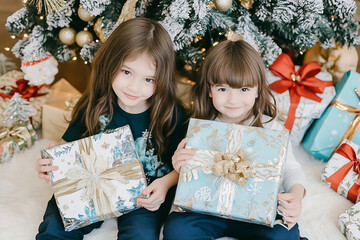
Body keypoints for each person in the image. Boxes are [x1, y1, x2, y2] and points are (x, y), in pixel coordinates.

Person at [35, 17, 187, 240]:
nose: (134, 87)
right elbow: (68, 148)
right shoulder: (94, 105)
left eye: (149, 79)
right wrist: (51, 165)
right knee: (57, 222)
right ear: (111, 63)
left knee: (141, 235)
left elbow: (182, 165)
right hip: (92, 186)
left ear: (162, 79)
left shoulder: (171, 114)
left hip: (143, 194)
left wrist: (164, 185)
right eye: (126, 72)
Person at [163, 40, 307, 240]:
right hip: (207, 209)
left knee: (285, 235)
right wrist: (180, 165)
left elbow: (291, 169)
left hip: (257, 210)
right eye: (223, 89)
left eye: (244, 89)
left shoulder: (270, 128)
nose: (233, 100)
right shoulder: (201, 128)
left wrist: (296, 197)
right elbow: (191, 171)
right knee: (176, 229)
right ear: (210, 89)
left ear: (258, 90)